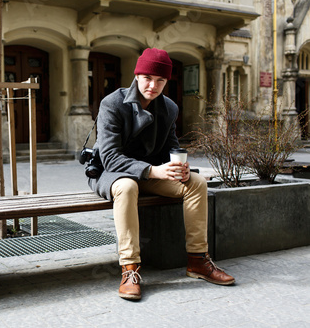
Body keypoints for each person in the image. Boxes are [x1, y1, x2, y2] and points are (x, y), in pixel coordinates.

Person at [87, 48, 235, 300]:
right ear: (136, 75)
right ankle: (130, 269)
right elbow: (110, 157)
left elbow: (171, 147)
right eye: (146, 77)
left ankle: (198, 260)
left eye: (160, 80)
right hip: (112, 172)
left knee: (196, 182)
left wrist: (179, 165)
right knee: (127, 187)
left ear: (166, 81)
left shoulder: (169, 107)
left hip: (151, 174)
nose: (152, 85)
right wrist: (153, 170)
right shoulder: (112, 103)